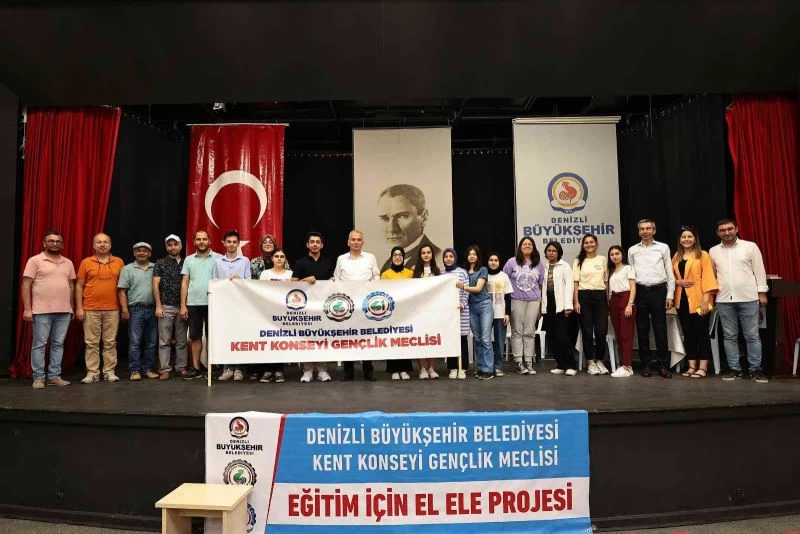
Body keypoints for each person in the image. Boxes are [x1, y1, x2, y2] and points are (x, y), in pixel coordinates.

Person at [709, 218, 769, 383]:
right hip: (723, 300)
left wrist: (762, 292)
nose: (727, 232)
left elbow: (759, 270)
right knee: (729, 336)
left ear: (736, 229)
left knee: (752, 336)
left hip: (748, 298)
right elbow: (712, 276)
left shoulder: (750, 247)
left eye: (730, 229)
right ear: (718, 233)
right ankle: (735, 369)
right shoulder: (713, 251)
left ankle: (755, 370)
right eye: (722, 230)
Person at [21, 230, 76, 389]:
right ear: (44, 243)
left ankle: (54, 376)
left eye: (58, 241)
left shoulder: (68, 262)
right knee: (39, 345)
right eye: (51, 241)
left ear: (62, 245)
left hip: (64, 311)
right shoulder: (35, 260)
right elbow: (26, 285)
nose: (54, 243)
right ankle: (38, 378)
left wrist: (71, 307)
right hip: (41, 311)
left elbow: (71, 286)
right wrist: (27, 309)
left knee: (58, 344)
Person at [628, 219, 676, 378]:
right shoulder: (632, 250)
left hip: (659, 291)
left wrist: (670, 295)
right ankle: (646, 365)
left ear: (654, 231)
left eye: (648, 228)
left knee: (660, 330)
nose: (645, 231)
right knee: (642, 331)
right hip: (640, 291)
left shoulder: (663, 247)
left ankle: (663, 365)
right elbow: (631, 275)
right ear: (639, 232)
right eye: (642, 229)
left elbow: (670, 273)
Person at [76, 233, 125, 383]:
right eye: (99, 242)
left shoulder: (119, 262)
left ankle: (109, 372)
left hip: (113, 308)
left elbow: (122, 287)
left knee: (110, 342)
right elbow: (79, 286)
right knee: (91, 343)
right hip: (90, 308)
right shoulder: (86, 262)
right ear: (93, 245)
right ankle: (92, 373)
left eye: (105, 242)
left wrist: (123, 308)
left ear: (110, 245)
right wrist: (79, 307)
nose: (102, 244)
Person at [334, 230, 380, 381]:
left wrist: (370, 286)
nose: (356, 242)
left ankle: (368, 370)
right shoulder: (341, 259)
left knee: (366, 337)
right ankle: (348, 371)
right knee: (348, 337)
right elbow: (336, 278)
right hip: (347, 305)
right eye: (353, 239)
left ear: (363, 242)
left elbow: (376, 275)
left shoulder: (370, 257)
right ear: (348, 242)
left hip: (365, 304)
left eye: (359, 239)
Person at [672, 226, 718, 379]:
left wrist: (705, 301)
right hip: (682, 302)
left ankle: (703, 367)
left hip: (700, 301)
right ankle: (692, 366)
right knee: (688, 333)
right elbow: (671, 277)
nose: (687, 239)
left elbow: (708, 278)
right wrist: (677, 282)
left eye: (689, 236)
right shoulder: (677, 256)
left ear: (695, 239)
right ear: (680, 240)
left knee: (702, 333)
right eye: (684, 237)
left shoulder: (703, 255)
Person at [292, 231, 333, 383]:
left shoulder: (328, 263)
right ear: (307, 245)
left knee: (323, 338)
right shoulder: (300, 262)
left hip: (324, 308)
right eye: (312, 242)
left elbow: (333, 282)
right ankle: (307, 370)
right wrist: (304, 280)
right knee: (306, 339)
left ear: (322, 245)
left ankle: (322, 370)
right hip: (305, 308)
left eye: (317, 242)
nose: (315, 244)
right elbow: (292, 284)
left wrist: (333, 281)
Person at [180, 229, 222, 380]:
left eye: (204, 239)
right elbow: (185, 282)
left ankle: (211, 369)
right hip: (193, 304)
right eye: (198, 239)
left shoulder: (219, 258)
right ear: (194, 242)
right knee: (195, 336)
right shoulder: (189, 260)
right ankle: (196, 368)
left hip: (213, 303)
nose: (202, 242)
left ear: (209, 241)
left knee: (212, 337)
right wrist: (183, 305)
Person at [503, 236, 545, 375]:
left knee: (529, 332)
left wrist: (540, 306)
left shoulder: (539, 264)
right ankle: (519, 362)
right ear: (520, 247)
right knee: (517, 331)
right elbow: (504, 280)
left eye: (529, 244)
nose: (527, 246)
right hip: (516, 299)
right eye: (524, 244)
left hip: (534, 301)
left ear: (533, 247)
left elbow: (540, 285)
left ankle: (528, 361)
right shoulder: (511, 262)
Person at [117, 242, 158, 381]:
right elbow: (122, 291)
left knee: (151, 342)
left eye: (145, 251)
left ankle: (148, 369)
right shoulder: (127, 269)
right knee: (135, 342)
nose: (142, 253)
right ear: (134, 253)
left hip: (153, 309)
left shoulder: (156, 267)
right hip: (136, 310)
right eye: (138, 250)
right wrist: (124, 309)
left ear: (149, 254)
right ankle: (134, 370)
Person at [377, 184, 442, 272]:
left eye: (402, 216)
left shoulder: (438, 258)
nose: (391, 229)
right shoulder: (388, 263)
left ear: (424, 218)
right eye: (384, 218)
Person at [213, 230, 251, 381]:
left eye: (235, 242)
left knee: (239, 336)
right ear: (224, 243)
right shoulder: (218, 262)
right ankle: (227, 368)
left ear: (238, 244)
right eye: (229, 242)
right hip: (223, 305)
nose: (231, 244)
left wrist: (239, 279)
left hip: (240, 304)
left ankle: (238, 369)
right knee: (225, 335)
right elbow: (214, 283)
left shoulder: (245, 261)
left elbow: (249, 282)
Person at [573, 234, 609, 375]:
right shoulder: (578, 261)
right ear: (583, 245)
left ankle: (600, 361)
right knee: (587, 331)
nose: (589, 244)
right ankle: (590, 362)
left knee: (601, 331)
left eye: (591, 242)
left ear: (596, 243)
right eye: (586, 243)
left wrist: (607, 300)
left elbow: (606, 281)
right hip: (584, 296)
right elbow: (575, 283)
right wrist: (576, 301)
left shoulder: (602, 259)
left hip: (600, 296)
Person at [153, 234, 188, 380]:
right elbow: (155, 285)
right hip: (165, 306)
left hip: (183, 306)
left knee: (182, 340)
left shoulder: (187, 262)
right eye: (170, 245)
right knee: (164, 341)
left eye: (175, 244)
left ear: (180, 246)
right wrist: (158, 305)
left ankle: (181, 367)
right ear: (167, 247)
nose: (173, 247)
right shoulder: (160, 263)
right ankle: (165, 369)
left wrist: (184, 305)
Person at [457, 245, 494, 380]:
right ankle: (481, 368)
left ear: (478, 256)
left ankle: (488, 370)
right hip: (471, 308)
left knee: (485, 339)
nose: (472, 256)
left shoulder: (483, 269)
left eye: (474, 254)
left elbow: (478, 288)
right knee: (477, 339)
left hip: (484, 306)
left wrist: (463, 286)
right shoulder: (464, 272)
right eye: (470, 254)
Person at [540, 242, 577, 376]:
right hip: (548, 306)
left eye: (554, 251)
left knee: (562, 337)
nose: (551, 253)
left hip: (561, 306)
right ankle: (560, 364)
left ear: (559, 252)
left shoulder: (565, 266)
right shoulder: (543, 267)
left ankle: (571, 365)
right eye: (549, 250)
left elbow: (569, 286)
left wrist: (568, 306)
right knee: (552, 336)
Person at [250, 233, 282, 382]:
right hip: (260, 306)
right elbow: (249, 282)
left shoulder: (282, 260)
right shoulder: (254, 262)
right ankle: (263, 370)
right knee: (262, 337)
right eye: (265, 242)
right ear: (261, 245)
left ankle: (278, 370)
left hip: (278, 306)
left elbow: (290, 281)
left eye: (271, 242)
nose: (268, 244)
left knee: (278, 338)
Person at [381, 246, 416, 380]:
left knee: (404, 341)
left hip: (406, 313)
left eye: (400, 255)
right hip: (391, 313)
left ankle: (404, 369)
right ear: (391, 257)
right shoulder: (385, 275)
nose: (397, 257)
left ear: (403, 257)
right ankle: (394, 370)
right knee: (392, 341)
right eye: (395, 255)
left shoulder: (410, 273)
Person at [413, 244, 442, 379]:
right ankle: (422, 368)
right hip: (419, 310)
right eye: (423, 253)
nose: (426, 255)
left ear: (432, 254)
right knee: (420, 339)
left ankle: (431, 368)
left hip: (433, 310)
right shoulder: (415, 270)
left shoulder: (437, 270)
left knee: (432, 339)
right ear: (420, 255)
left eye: (428, 252)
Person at [607, 245, 637, 378]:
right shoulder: (612, 271)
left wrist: (630, 304)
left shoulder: (628, 268)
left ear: (622, 255)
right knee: (618, 335)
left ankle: (627, 366)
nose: (615, 256)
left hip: (625, 299)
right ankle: (623, 364)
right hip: (614, 301)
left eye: (617, 253)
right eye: (612, 254)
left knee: (626, 335)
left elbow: (633, 287)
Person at [442, 248, 469, 379]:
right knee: (451, 340)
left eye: (451, 256)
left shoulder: (462, 272)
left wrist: (462, 305)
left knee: (462, 340)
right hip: (448, 313)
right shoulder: (441, 274)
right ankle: (452, 368)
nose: (448, 259)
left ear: (455, 258)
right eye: (446, 256)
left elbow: (466, 291)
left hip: (461, 311)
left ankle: (462, 368)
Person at [486, 252, 512, 377]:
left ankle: (497, 367)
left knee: (500, 342)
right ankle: (486, 367)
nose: (493, 262)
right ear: (487, 262)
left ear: (499, 262)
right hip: (486, 314)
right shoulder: (484, 275)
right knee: (485, 341)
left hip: (500, 314)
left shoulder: (504, 276)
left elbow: (508, 297)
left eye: (496, 260)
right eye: (491, 260)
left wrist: (507, 314)